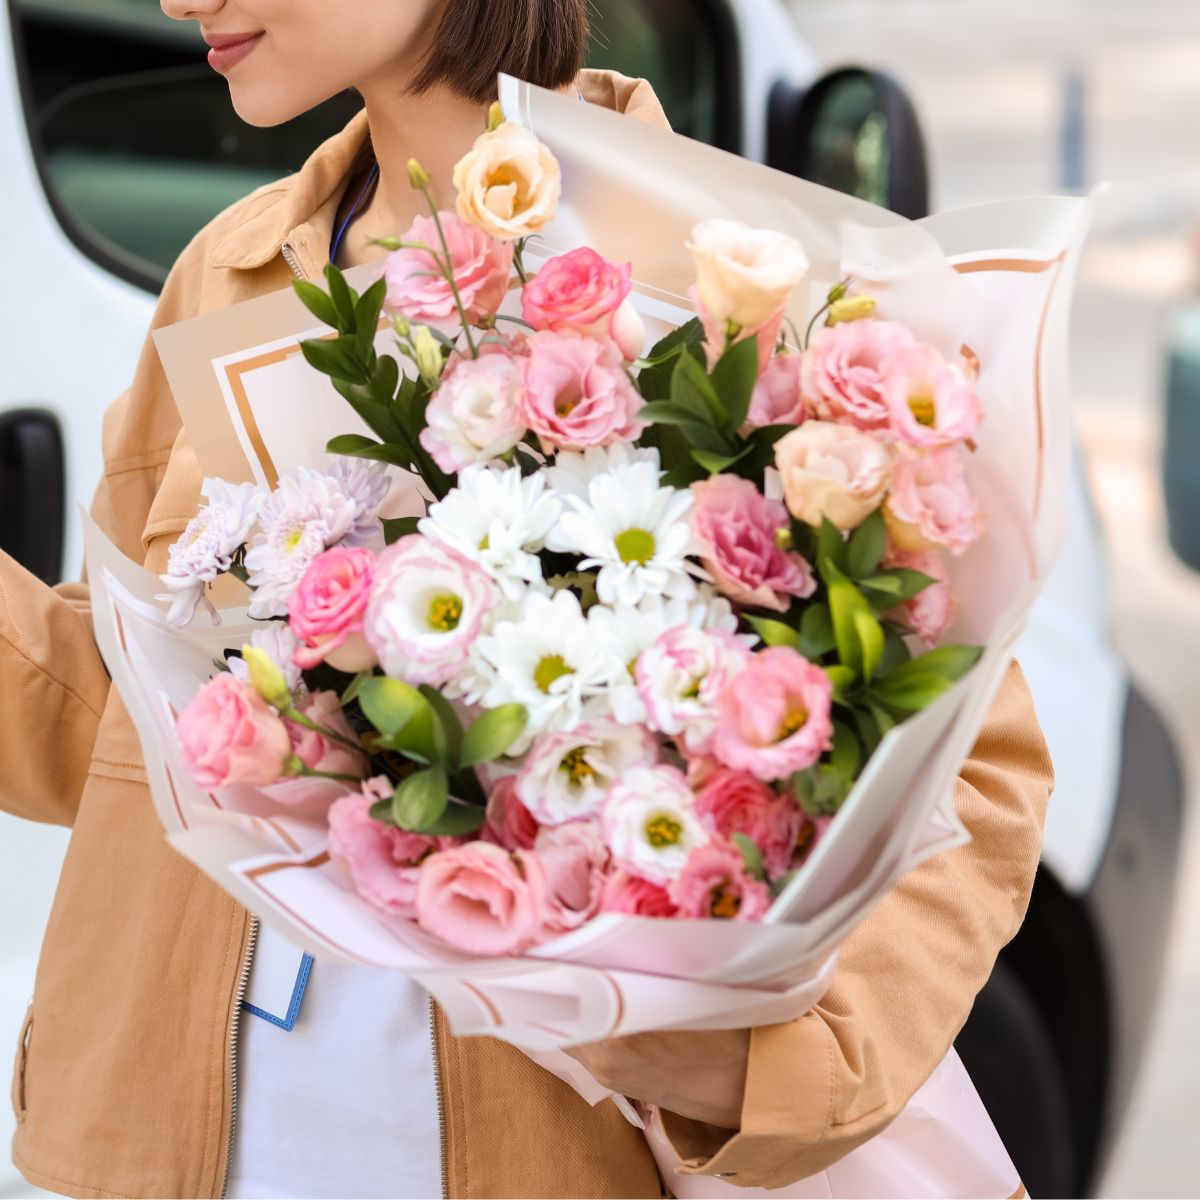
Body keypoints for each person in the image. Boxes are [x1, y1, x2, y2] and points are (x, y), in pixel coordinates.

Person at [3, 1, 1053, 1197]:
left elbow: (966, 767)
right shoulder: (229, 271)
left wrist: (761, 1066)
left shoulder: (726, 275)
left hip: (543, 1144)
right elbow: (132, 721)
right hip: (195, 1139)